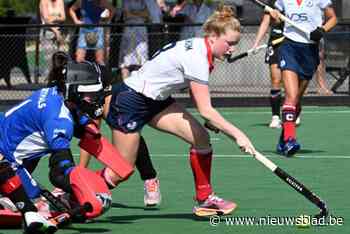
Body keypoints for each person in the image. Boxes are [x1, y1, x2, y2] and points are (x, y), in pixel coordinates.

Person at [96, 5, 256, 217]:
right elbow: (206, 110)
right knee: (121, 170)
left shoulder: (201, 49)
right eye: (230, 43)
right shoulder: (197, 57)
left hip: (157, 100)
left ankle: (205, 199)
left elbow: (194, 93)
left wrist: (211, 122)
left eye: (235, 44)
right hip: (131, 100)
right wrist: (239, 135)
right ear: (213, 36)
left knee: (201, 138)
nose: (232, 49)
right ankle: (76, 193)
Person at [0, 54, 114, 233]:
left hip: (8, 147)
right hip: (5, 158)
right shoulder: (60, 121)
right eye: (91, 94)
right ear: (75, 92)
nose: (95, 99)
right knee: (40, 207)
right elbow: (59, 172)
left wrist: (86, 124)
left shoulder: (55, 91)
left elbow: (76, 115)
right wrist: (90, 192)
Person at [79, 64, 162, 207]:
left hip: (114, 90)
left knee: (126, 130)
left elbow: (91, 135)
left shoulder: (99, 99)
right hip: (95, 92)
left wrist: (79, 174)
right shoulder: (65, 94)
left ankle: (150, 178)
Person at [268, 0, 337, 156]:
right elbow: (277, 20)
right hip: (289, 47)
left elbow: (333, 18)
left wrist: (322, 30)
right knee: (291, 97)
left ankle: (283, 140)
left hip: (310, 50)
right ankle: (290, 139)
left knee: (297, 99)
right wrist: (275, 17)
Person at [252, 0, 284, 128]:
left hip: (292, 43)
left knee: (292, 81)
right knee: (276, 80)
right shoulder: (272, 3)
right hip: (276, 43)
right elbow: (265, 23)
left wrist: (281, 20)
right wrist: (256, 43)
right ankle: (276, 117)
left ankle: (293, 111)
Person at [69, 0, 115, 64]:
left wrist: (107, 21)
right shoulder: (81, 1)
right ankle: (82, 72)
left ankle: (101, 73)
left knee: (99, 59)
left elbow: (112, 9)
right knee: (79, 58)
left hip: (98, 30)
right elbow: (71, 9)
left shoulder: (101, 1)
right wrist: (76, 21)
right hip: (84, 29)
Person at [119, 0, 150, 79]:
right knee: (126, 62)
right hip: (129, 30)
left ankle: (138, 86)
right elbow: (127, 15)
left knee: (141, 60)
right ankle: (125, 86)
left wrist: (134, 13)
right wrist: (140, 13)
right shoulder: (126, 2)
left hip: (141, 31)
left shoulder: (143, 2)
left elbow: (147, 14)